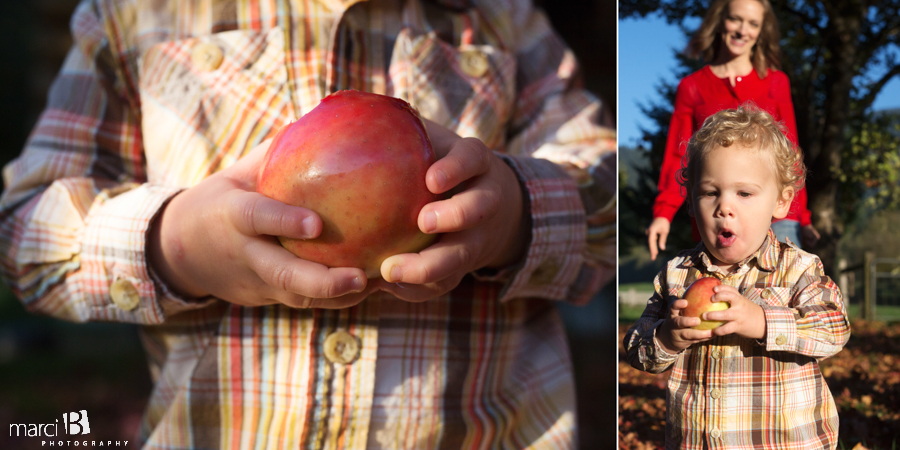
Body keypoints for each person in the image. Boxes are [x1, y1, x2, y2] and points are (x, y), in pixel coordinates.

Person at [0, 0, 616, 447]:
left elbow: (615, 206)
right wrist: (174, 244)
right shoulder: (131, 16)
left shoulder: (504, 20)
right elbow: (26, 233)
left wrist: (513, 211)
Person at [624, 106, 849, 449]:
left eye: (744, 193)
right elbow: (637, 349)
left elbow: (835, 328)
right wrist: (667, 339)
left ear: (781, 201)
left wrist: (760, 320)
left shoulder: (798, 269)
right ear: (691, 202)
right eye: (710, 192)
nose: (723, 207)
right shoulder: (676, 275)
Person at [646, 0, 820, 261]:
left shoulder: (776, 82)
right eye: (735, 19)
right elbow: (678, 155)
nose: (742, 30)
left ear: (762, 31)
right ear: (720, 21)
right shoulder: (693, 87)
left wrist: (802, 218)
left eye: (753, 24)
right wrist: (663, 212)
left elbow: (791, 155)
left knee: (781, 291)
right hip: (721, 214)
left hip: (777, 219)